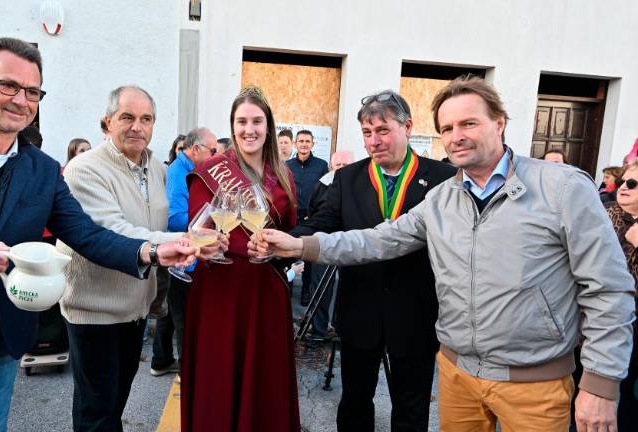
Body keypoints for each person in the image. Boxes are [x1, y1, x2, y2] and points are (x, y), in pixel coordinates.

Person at [253, 75, 635, 432]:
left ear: (499, 123)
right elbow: (378, 240)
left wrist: (600, 383)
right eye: (448, 128)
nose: (457, 136)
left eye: (468, 123)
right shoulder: (442, 197)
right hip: (458, 375)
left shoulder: (562, 188)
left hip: (533, 382)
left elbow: (608, 289)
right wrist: (300, 245)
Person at [0, 37, 199, 432]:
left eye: (31, 91)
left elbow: (87, 235)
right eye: (8, 85)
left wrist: (152, 251)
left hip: (1, 336)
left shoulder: (42, 168)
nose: (20, 100)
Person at [296, 90, 456, 432]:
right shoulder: (348, 178)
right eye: (367, 133)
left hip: (415, 313)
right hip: (360, 311)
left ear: (407, 127)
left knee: (411, 408)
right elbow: (321, 223)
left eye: (383, 130)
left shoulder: (443, 178)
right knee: (354, 403)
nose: (373, 141)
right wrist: (283, 243)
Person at [57, 85, 194, 431]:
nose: (137, 127)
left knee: (114, 404)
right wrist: (185, 241)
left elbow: (161, 222)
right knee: (97, 414)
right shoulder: (84, 169)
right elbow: (113, 230)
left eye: (146, 119)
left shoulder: (157, 169)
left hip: (135, 309)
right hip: (95, 311)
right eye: (127, 117)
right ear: (107, 122)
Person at [181, 85, 300, 432]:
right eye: (242, 121)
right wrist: (207, 245)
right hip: (220, 290)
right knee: (218, 378)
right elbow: (196, 227)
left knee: (265, 382)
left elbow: (291, 231)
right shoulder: (212, 170)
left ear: (268, 126)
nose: (249, 129)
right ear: (232, 126)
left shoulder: (284, 175)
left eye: (257, 121)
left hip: (266, 291)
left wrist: (278, 249)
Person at [152, 127, 217, 379]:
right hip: (180, 256)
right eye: (213, 151)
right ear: (196, 149)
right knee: (184, 316)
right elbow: (175, 218)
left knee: (171, 312)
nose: (215, 156)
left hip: (182, 253)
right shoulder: (179, 172)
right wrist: (211, 221)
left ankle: (161, 361)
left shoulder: (188, 169)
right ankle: (187, 372)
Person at [301, 149, 354, 342]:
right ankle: (318, 330)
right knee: (320, 287)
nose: (341, 168)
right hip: (324, 241)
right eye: (338, 165)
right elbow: (313, 209)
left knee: (349, 289)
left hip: (352, 243)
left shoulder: (359, 184)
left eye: (346, 165)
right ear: (331, 166)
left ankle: (341, 328)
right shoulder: (322, 184)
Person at [605, 163, 638, 430]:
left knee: (627, 392)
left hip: (634, 323)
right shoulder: (602, 214)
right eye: (622, 182)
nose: (623, 188)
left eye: (633, 184)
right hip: (598, 316)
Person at [286, 130, 328, 306]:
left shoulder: (321, 165)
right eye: (301, 141)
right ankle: (287, 289)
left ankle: (306, 292)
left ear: (312, 144)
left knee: (309, 256)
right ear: (295, 144)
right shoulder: (287, 165)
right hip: (291, 216)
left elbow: (325, 190)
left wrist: (317, 212)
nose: (304, 144)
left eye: (307, 141)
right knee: (289, 253)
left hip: (311, 217)